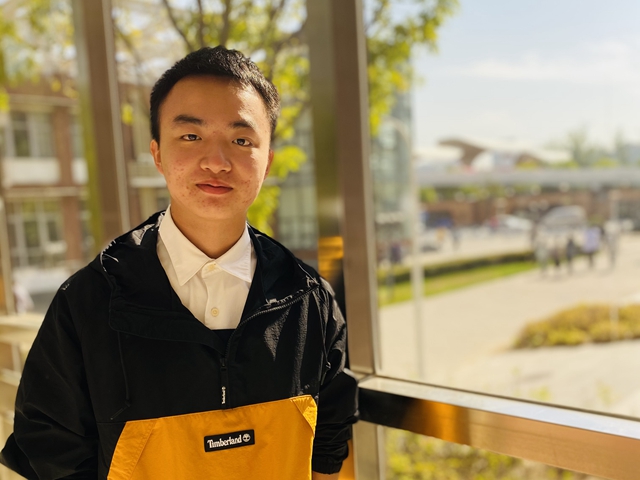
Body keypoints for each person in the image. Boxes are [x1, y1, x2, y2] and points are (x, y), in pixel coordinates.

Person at [0, 46, 357, 480]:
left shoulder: (308, 301)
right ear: (157, 153)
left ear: (267, 162)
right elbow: (51, 452)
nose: (216, 162)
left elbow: (327, 446)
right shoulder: (90, 302)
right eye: (191, 136)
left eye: (241, 140)